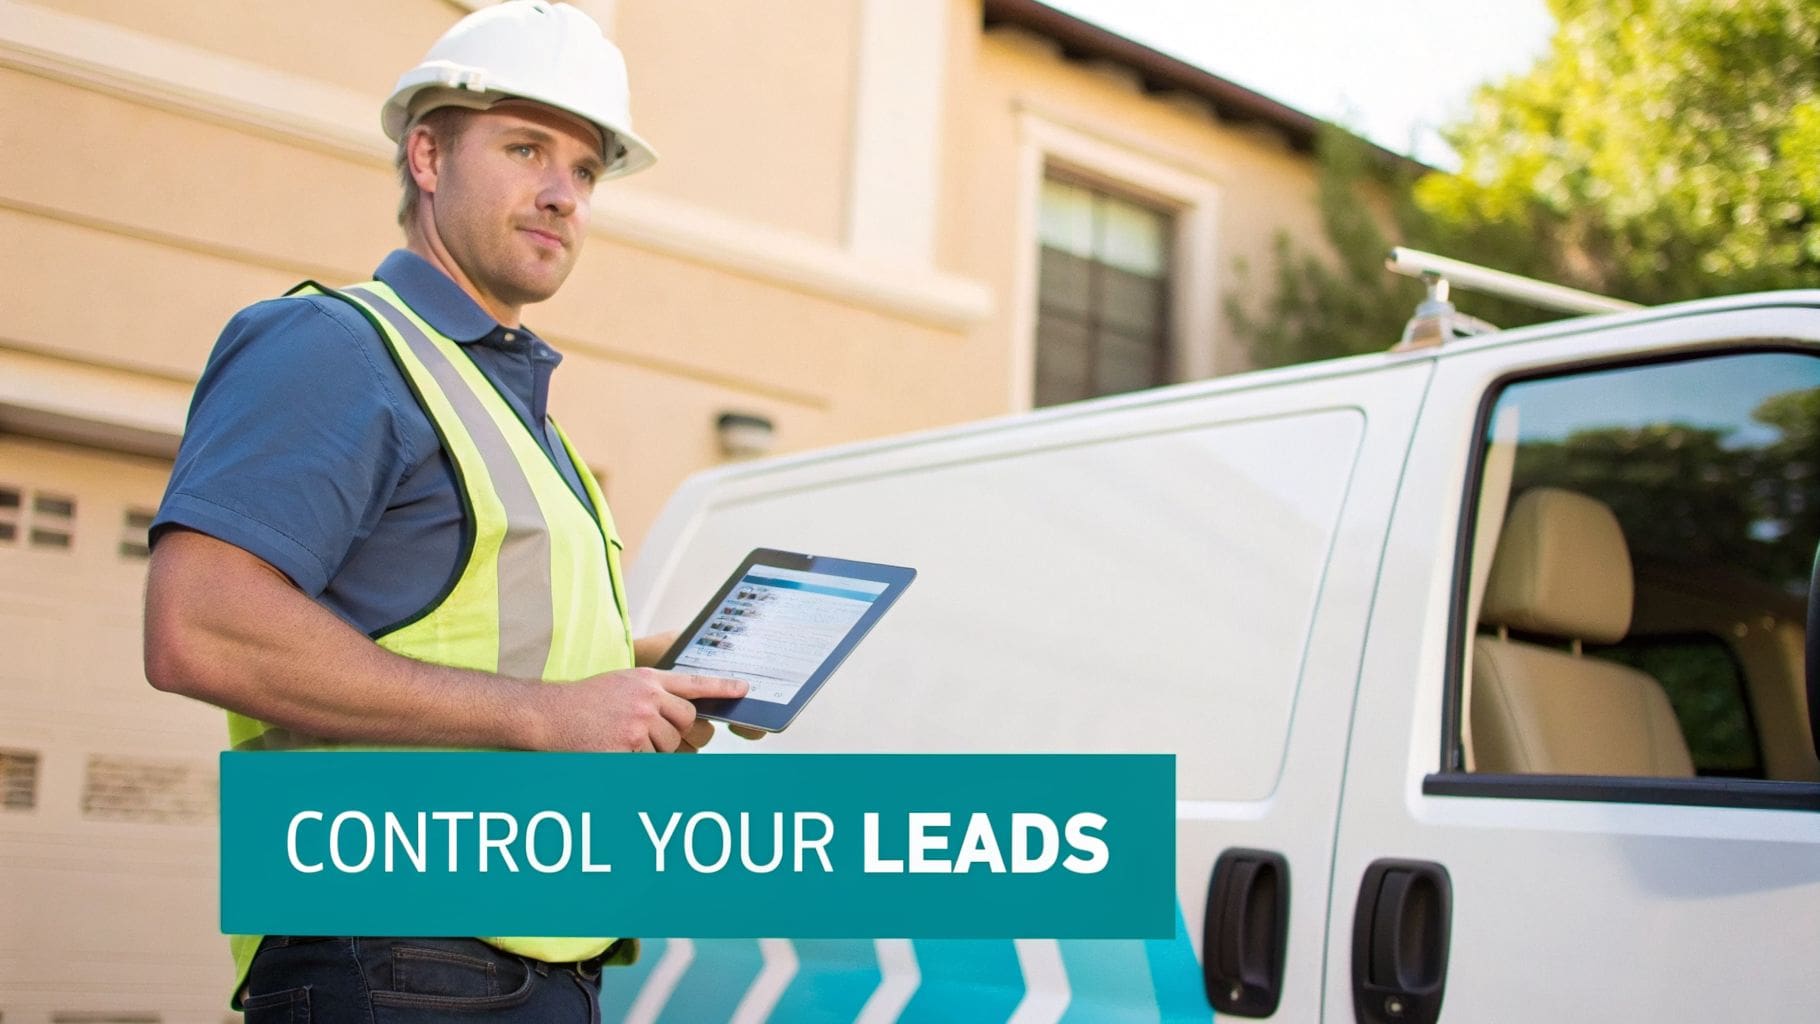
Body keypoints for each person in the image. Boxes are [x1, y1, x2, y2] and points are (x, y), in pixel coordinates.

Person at [141, 3, 748, 1019]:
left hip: (525, 963)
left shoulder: (517, 413)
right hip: (398, 959)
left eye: (587, 171)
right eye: (524, 149)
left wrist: (643, 672)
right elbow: (196, 627)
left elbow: (481, 640)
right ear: (427, 156)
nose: (561, 194)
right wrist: (550, 714)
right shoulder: (332, 346)